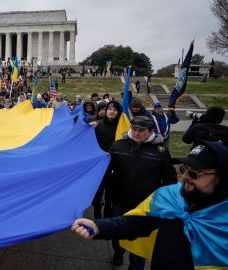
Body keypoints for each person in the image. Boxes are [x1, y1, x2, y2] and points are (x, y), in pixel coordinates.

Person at [72, 140, 228, 269]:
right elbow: (137, 223)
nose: (185, 177)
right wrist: (99, 227)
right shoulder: (171, 197)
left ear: (222, 177)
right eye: (184, 169)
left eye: (194, 173)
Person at [105, 116, 177, 268]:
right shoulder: (119, 146)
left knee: (139, 240)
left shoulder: (161, 151)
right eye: (134, 129)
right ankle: (118, 253)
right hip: (120, 201)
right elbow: (103, 168)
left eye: (141, 130)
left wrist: (162, 200)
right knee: (117, 233)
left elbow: (170, 178)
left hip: (145, 206)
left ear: (150, 131)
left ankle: (135, 266)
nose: (136, 133)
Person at [88, 101, 121, 219]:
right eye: (110, 109)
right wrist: (88, 126)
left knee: (110, 195)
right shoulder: (98, 125)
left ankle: (107, 219)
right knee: (98, 193)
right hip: (100, 166)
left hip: (115, 166)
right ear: (106, 111)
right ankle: (97, 215)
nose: (112, 112)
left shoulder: (121, 127)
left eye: (115, 110)